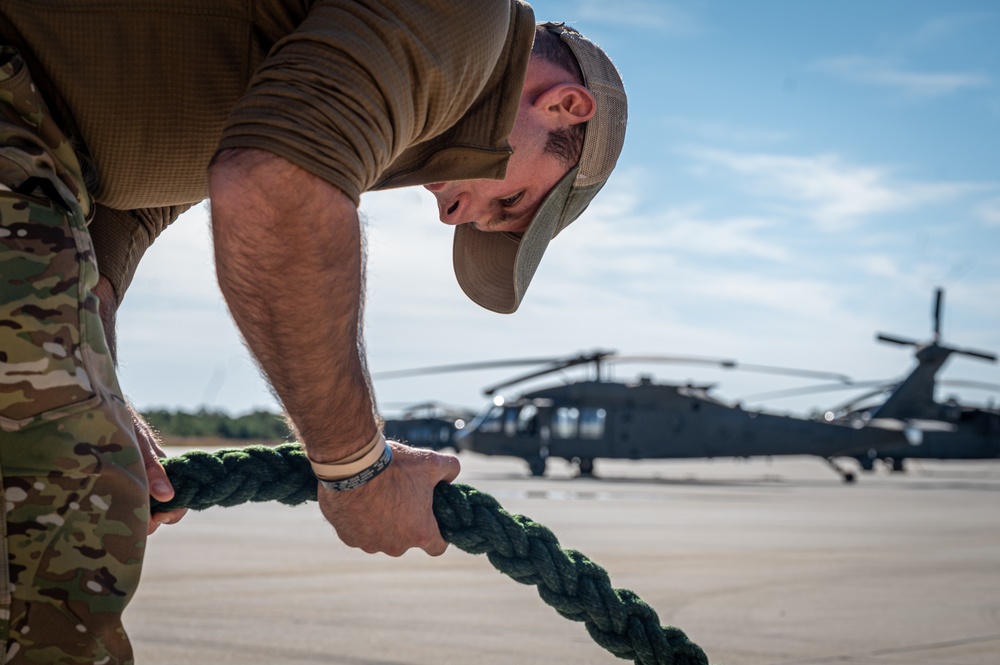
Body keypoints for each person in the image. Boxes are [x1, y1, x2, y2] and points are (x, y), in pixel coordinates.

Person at [0, 0, 626, 661]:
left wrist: (98, 389)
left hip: (38, 143)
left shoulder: (302, 71)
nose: (450, 216)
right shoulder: (467, 19)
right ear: (563, 106)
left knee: (74, 469)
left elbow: (133, 197)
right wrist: (356, 466)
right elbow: (277, 184)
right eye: (511, 202)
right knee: (63, 520)